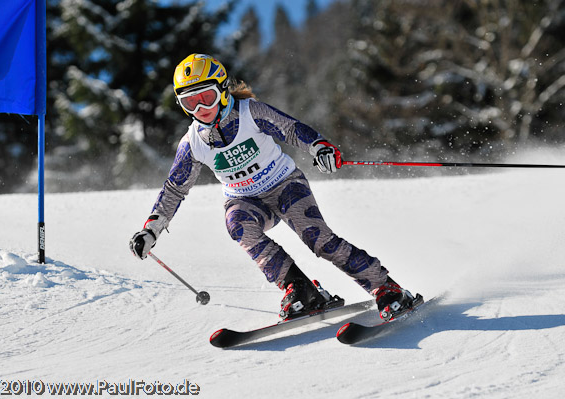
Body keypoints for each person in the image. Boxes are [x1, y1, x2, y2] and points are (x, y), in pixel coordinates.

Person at [130, 53, 415, 321]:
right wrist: (151, 229)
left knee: (318, 239)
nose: (201, 109)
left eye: (207, 97)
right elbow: (175, 188)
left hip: (283, 185)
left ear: (223, 90)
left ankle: (385, 287)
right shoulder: (193, 142)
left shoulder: (249, 112)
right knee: (237, 224)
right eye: (191, 103)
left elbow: (290, 128)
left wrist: (319, 147)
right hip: (245, 200)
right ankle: (301, 290)